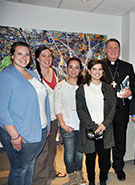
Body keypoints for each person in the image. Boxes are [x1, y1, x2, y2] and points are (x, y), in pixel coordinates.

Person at [0, 41, 50, 185]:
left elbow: (42, 99)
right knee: (20, 169)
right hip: (20, 132)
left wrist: (46, 126)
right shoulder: (6, 76)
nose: (24, 57)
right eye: (19, 53)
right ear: (12, 56)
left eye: (27, 54)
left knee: (30, 165)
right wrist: (14, 135)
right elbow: (2, 109)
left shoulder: (32, 73)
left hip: (39, 129)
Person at [102, 38, 135, 181]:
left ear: (119, 50)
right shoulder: (99, 65)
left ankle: (118, 167)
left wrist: (130, 92)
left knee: (119, 142)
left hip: (121, 111)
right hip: (103, 112)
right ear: (105, 50)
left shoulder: (127, 66)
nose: (113, 50)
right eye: (110, 48)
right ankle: (104, 169)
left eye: (116, 48)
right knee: (104, 143)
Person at [76, 60, 116, 185]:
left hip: (106, 129)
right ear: (89, 71)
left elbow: (113, 108)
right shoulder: (82, 89)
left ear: (102, 72)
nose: (97, 72)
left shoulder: (108, 88)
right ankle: (92, 181)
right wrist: (94, 126)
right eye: (94, 69)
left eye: (100, 69)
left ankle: (103, 180)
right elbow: (80, 110)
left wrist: (104, 124)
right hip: (89, 130)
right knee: (90, 158)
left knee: (104, 159)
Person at [33, 46, 66, 185]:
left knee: (52, 147)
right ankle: (40, 180)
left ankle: (51, 172)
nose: (47, 59)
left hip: (53, 117)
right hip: (41, 119)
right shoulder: (34, 75)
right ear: (37, 58)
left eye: (49, 56)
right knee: (42, 151)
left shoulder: (53, 72)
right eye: (44, 56)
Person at [54, 57, 86, 185]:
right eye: (71, 67)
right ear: (67, 68)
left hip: (81, 126)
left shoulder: (84, 86)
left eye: (77, 67)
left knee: (79, 153)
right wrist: (63, 125)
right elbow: (58, 108)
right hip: (66, 125)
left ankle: (79, 172)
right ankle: (71, 174)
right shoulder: (60, 86)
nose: (73, 70)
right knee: (69, 153)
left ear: (80, 70)